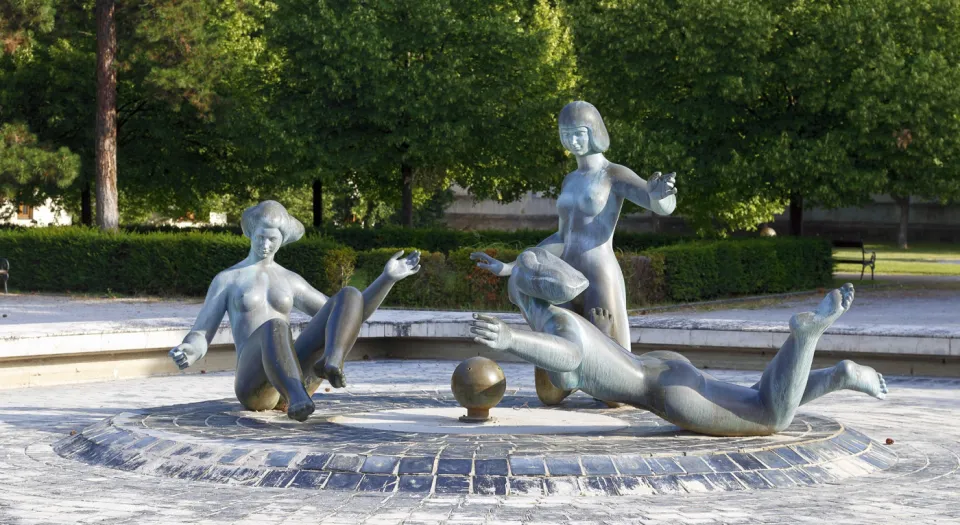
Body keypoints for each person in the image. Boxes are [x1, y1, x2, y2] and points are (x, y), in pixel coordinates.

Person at [469, 248, 888, 437]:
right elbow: (560, 365)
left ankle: (806, 337)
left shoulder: (558, 329)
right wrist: (509, 270)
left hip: (667, 395)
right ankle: (837, 376)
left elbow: (568, 358)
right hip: (661, 367)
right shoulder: (558, 316)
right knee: (761, 396)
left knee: (771, 419)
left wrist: (510, 339)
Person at [471, 101, 677, 404]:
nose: (572, 141)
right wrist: (508, 267)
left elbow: (657, 203)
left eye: (578, 134)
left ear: (594, 133)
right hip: (565, 275)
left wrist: (662, 197)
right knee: (550, 393)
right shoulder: (570, 179)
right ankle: (577, 357)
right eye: (565, 134)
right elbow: (561, 237)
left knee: (615, 393)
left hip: (598, 273)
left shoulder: (613, 174)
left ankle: (601, 338)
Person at [169, 201, 420, 421]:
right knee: (275, 326)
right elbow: (202, 332)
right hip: (254, 386)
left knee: (349, 295)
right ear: (251, 234)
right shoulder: (228, 279)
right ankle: (297, 397)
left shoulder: (290, 280)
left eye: (273, 239)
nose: (266, 244)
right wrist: (190, 351)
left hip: (294, 376)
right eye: (261, 237)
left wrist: (386, 280)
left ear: (282, 239)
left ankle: (331, 361)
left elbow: (349, 315)